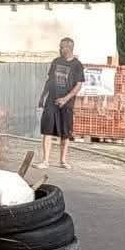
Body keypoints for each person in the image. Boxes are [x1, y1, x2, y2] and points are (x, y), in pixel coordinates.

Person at [38, 37, 86, 170]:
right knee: (47, 130)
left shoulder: (77, 65)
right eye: (60, 47)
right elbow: (49, 80)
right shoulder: (56, 62)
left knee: (65, 132)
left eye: (62, 47)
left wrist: (65, 99)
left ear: (69, 48)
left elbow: (78, 85)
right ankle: (45, 160)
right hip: (51, 102)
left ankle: (62, 160)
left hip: (67, 104)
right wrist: (43, 96)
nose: (60, 49)